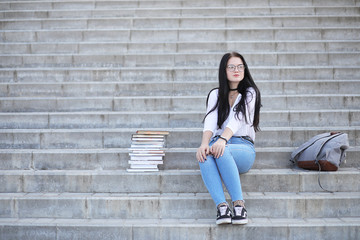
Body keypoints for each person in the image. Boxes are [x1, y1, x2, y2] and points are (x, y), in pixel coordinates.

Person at [196, 52, 261, 225]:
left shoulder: (250, 93)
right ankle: (222, 207)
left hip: (243, 148)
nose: (236, 70)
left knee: (221, 151)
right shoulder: (215, 94)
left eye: (240, 66)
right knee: (204, 155)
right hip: (218, 143)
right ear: (224, 70)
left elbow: (238, 119)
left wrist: (222, 140)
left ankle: (239, 205)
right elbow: (210, 121)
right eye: (231, 67)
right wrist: (204, 144)